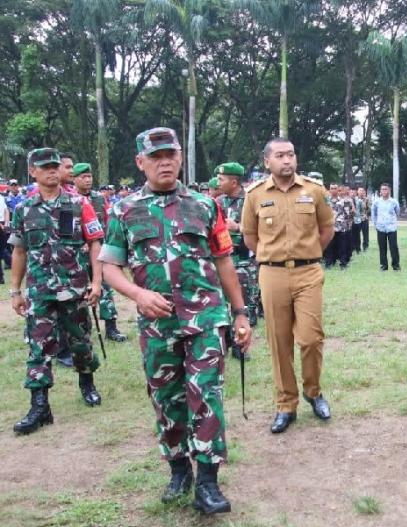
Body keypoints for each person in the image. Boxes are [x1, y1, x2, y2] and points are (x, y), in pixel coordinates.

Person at [100, 128, 249, 514]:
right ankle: (179, 469)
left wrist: (240, 313)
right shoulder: (123, 209)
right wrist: (138, 295)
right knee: (166, 399)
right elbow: (110, 268)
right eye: (156, 156)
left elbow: (224, 261)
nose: (164, 162)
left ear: (181, 158)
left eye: (171, 154)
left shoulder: (204, 205)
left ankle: (209, 483)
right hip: (157, 324)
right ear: (140, 162)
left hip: (206, 319)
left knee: (207, 394)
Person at [241, 137, 334, 435]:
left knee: (310, 338)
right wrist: (272, 259)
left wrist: (310, 254)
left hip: (308, 272)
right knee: (279, 342)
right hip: (272, 274)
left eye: (291, 154)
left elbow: (327, 228)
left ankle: (313, 390)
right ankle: (286, 404)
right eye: (280, 155)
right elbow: (250, 237)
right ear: (267, 161)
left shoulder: (315, 191)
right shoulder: (254, 195)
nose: (287, 160)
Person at [10, 148, 105, 435]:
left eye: (55, 166)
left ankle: (87, 384)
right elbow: (19, 250)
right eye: (45, 167)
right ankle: (40, 406)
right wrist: (15, 290)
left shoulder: (78, 204)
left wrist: (97, 282)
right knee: (38, 346)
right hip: (40, 291)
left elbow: (96, 243)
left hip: (74, 287)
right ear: (33, 172)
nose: (52, 171)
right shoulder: (23, 209)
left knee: (79, 342)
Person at [72, 163, 127, 342]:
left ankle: (111, 328)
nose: (87, 180)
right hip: (78, 253)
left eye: (89, 176)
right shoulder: (69, 199)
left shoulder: (98, 198)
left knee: (105, 288)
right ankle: (80, 330)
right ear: (74, 179)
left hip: (99, 250)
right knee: (78, 290)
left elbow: (106, 221)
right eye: (83, 177)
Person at [216, 162, 259, 360]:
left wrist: (237, 227)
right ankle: (224, 342)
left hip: (244, 261)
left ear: (234, 182)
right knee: (221, 303)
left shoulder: (251, 201)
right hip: (222, 260)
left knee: (244, 305)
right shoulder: (217, 202)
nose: (218, 182)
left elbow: (262, 230)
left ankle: (240, 347)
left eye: (221, 179)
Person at [324, 183, 354, 269]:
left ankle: (343, 263)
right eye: (332, 188)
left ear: (338, 190)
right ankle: (329, 263)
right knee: (329, 247)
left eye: (335, 188)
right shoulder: (326, 200)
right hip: (329, 227)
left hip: (341, 227)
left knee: (342, 246)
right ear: (329, 189)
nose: (333, 190)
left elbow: (348, 214)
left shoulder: (345, 201)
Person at [371, 183, 400, 271]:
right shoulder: (376, 202)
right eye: (382, 189)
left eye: (385, 189)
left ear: (389, 190)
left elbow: (397, 212)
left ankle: (396, 265)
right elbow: (373, 214)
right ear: (380, 191)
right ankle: (383, 266)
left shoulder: (394, 202)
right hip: (380, 228)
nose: (384, 191)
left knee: (393, 247)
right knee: (382, 248)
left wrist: (393, 222)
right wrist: (376, 224)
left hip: (391, 228)